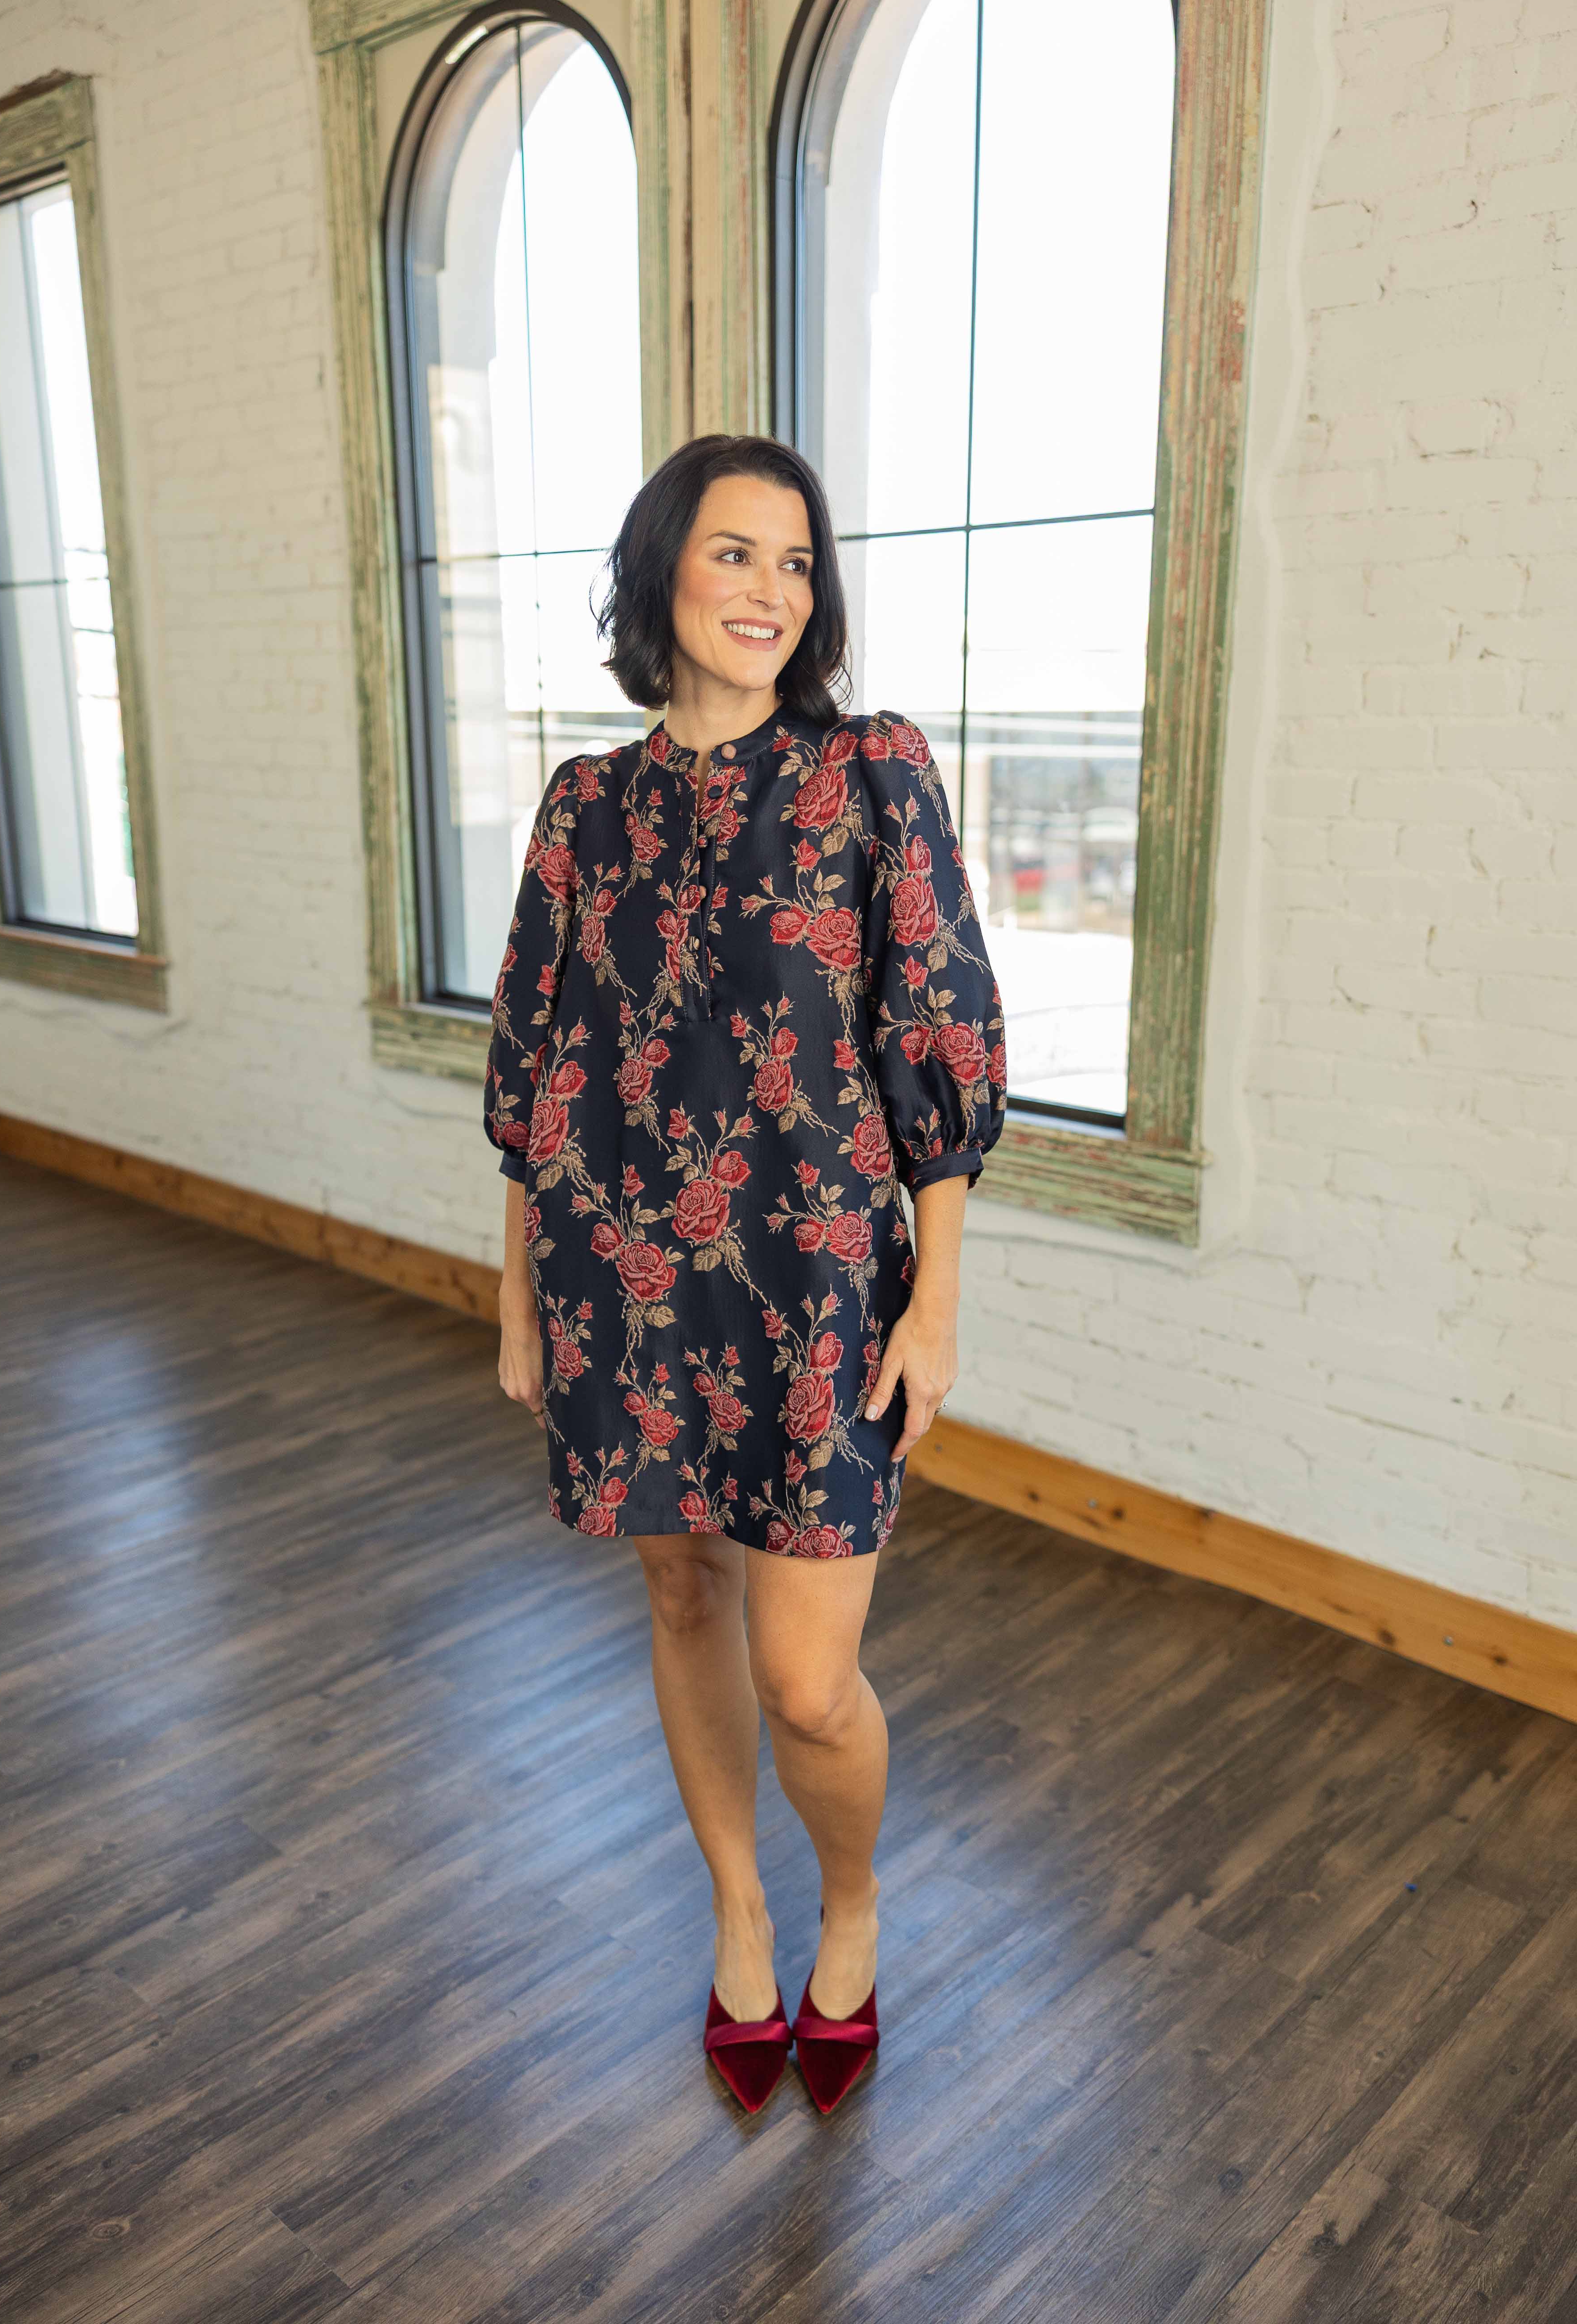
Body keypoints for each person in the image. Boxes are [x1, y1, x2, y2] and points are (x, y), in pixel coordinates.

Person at [484, 433, 1007, 2112]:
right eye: (734, 554)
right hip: (617, 1273)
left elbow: (939, 1040)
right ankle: (739, 1911)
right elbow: (535, 1063)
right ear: (662, 571)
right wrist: (518, 1291)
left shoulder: (871, 773)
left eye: (796, 563)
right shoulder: (585, 805)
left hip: (820, 1283)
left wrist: (936, 1301)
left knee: (808, 1679)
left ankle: (850, 1904)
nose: (771, 590)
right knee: (677, 1593)